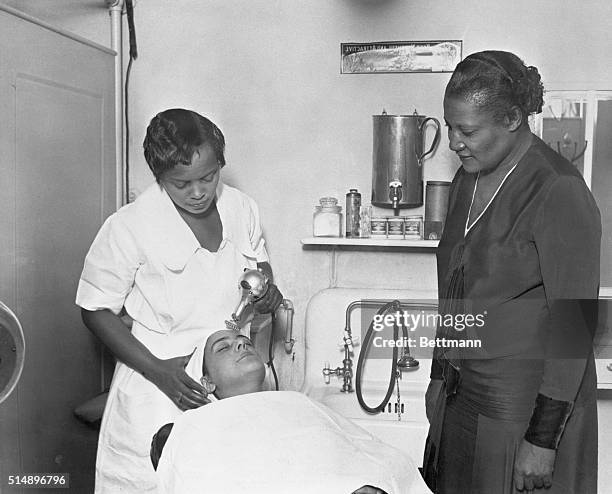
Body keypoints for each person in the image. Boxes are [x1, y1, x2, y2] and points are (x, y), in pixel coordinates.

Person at [76, 108, 283, 493]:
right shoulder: (130, 226)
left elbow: (260, 270)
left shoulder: (241, 208)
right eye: (181, 183)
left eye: (208, 176)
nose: (198, 192)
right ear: (159, 177)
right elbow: (94, 309)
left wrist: (267, 292)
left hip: (231, 385)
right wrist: (158, 371)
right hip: (158, 388)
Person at [422, 51, 600, 493]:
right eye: (449, 127)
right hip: (463, 400)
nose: (454, 142)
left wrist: (542, 441)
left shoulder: (557, 190)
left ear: (513, 119)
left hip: (524, 413)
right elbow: (454, 292)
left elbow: (574, 326)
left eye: (466, 130)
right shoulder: (467, 180)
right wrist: (439, 377)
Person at [153, 330, 428, 494]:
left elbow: (358, 450)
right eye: (223, 347)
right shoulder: (196, 425)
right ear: (207, 383)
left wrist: (369, 481)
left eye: (244, 341)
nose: (241, 344)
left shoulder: (297, 402)